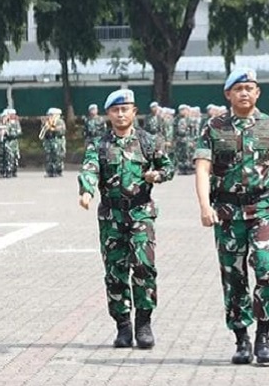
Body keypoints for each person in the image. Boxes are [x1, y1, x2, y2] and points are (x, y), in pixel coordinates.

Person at [194, 67, 269, 365]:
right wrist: (205, 206)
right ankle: (241, 338)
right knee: (234, 275)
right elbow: (202, 168)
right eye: (238, 88)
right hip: (227, 212)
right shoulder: (213, 128)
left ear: (258, 93)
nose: (244, 93)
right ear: (228, 94)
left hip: (264, 210)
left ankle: (264, 337)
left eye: (249, 88)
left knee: (266, 268)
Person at [78, 89, 174, 349]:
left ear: (134, 111)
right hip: (112, 216)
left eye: (125, 109)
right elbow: (89, 169)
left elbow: (169, 167)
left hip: (141, 212)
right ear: (108, 114)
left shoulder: (148, 141)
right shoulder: (99, 145)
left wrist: (158, 175)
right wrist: (86, 191)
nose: (121, 114)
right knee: (115, 272)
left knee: (144, 267)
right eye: (115, 110)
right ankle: (122, 325)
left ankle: (143, 322)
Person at [40, 107, 66, 177]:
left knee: (58, 156)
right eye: (49, 115)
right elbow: (43, 132)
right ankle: (49, 171)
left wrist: (53, 128)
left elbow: (62, 131)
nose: (49, 116)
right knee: (49, 157)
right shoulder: (46, 122)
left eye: (51, 115)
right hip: (49, 142)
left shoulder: (60, 122)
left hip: (58, 142)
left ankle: (58, 171)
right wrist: (46, 127)